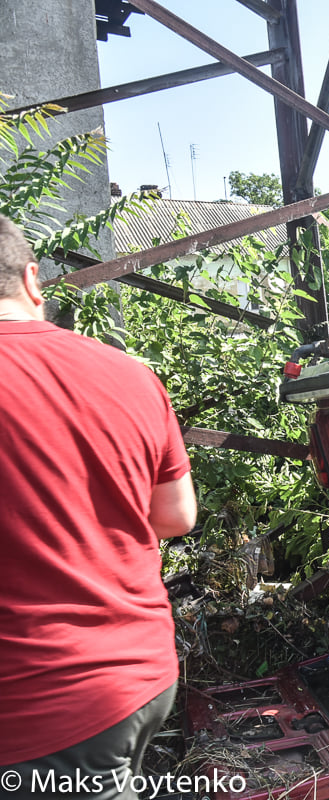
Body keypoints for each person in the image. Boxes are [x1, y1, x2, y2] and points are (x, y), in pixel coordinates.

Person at [0, 214, 196, 799]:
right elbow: (176, 516)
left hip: (36, 708)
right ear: (33, 281)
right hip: (138, 675)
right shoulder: (130, 373)